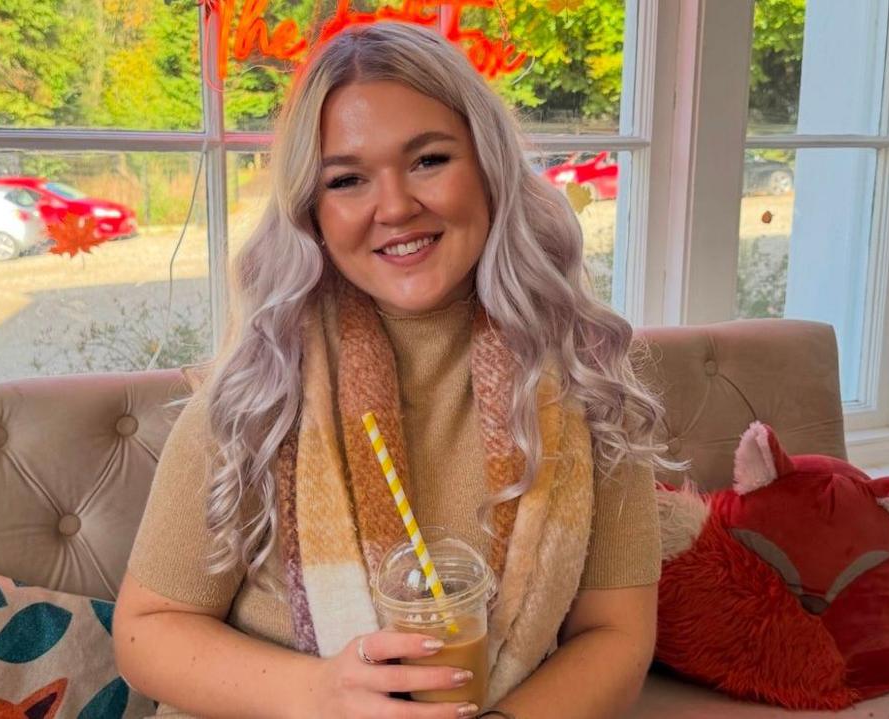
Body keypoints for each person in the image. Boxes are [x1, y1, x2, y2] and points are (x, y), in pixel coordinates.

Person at [113, 21, 665, 719]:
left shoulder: (586, 377)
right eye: (346, 179)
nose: (396, 206)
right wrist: (319, 693)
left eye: (430, 160)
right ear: (313, 212)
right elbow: (145, 630)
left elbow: (616, 632)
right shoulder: (262, 383)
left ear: (489, 168)